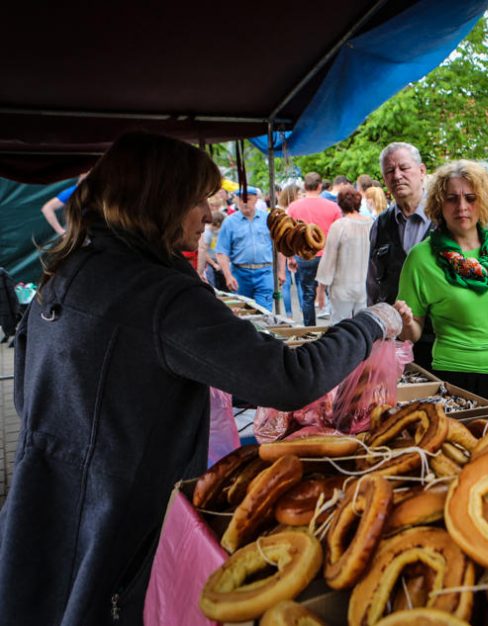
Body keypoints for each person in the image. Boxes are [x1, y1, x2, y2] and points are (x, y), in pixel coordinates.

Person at [0, 132, 403, 625]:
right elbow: (289, 378)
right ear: (160, 203)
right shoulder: (158, 293)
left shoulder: (70, 267)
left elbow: (23, 392)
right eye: (197, 201)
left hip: (46, 493)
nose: (209, 216)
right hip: (118, 516)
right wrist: (372, 323)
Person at [395, 160, 488, 410]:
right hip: (452, 376)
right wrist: (406, 320)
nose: (462, 207)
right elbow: (412, 333)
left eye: (471, 197)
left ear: (484, 201)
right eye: (452, 199)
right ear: (439, 204)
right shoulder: (421, 258)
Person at [367, 142, 435, 369]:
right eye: (389, 171)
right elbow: (373, 283)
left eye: (404, 168)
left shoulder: (446, 219)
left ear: (422, 171)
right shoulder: (381, 224)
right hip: (395, 342)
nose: (397, 176)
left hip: (440, 341)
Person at [286, 172, 342, 325]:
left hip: (305, 256)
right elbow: (339, 235)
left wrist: (290, 257)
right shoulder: (333, 207)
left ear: (304, 186)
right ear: (320, 186)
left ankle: (309, 330)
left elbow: (289, 235)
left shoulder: (293, 207)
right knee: (333, 293)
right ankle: (336, 327)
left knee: (307, 295)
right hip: (328, 256)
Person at [215, 186, 280, 311]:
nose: (244, 203)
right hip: (240, 274)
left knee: (264, 312)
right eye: (241, 200)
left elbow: (278, 247)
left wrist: (281, 271)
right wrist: (228, 276)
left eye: (248, 199)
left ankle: (263, 331)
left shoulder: (268, 219)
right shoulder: (230, 222)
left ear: (256, 200)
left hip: (265, 272)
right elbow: (222, 252)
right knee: (242, 311)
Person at [316, 188, 372, 324]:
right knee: (363, 327)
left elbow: (329, 259)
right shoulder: (371, 223)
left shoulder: (339, 226)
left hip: (342, 287)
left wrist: (321, 289)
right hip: (365, 287)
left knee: (339, 327)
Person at [276, 184, 302, 317]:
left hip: (284, 250)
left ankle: (289, 314)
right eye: (299, 194)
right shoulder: (296, 210)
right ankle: (297, 313)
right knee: (297, 283)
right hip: (293, 250)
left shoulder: (278, 211)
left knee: (287, 283)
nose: (301, 196)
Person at [196, 210, 226, 290]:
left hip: (219, 259)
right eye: (215, 226)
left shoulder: (222, 231)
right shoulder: (207, 233)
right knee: (211, 280)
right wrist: (214, 264)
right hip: (210, 261)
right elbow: (204, 251)